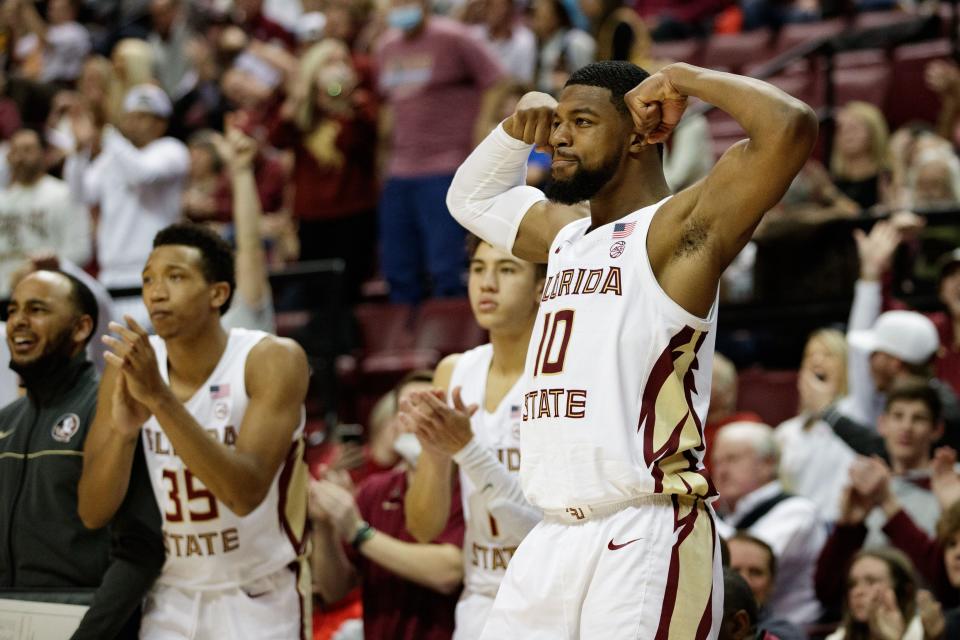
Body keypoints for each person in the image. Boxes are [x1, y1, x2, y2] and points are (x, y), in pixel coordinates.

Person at [445, 59, 817, 638]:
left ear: (643, 132)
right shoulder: (564, 236)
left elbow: (788, 126)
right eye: (558, 123)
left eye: (583, 121)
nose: (558, 136)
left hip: (644, 527)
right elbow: (469, 199)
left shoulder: (679, 230)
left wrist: (681, 78)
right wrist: (513, 131)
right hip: (550, 535)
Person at [77, 222, 311, 639]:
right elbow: (93, 512)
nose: (156, 291)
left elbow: (244, 493)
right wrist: (126, 433)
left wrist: (159, 399)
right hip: (171, 594)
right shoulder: (130, 367)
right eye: (148, 279)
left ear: (217, 294)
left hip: (259, 592)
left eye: (175, 277)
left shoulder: (270, 360)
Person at [0, 270, 163, 639]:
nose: (18, 321)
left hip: (91, 626)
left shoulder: (113, 410)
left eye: (36, 309)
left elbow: (141, 548)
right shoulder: (5, 421)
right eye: (12, 311)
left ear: (80, 328)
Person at [401, 235, 545, 639]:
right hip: (481, 592)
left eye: (506, 270)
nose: (487, 283)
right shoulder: (453, 372)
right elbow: (424, 528)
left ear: (541, 287)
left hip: (549, 590)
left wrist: (466, 448)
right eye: (479, 269)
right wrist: (432, 454)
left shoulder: (560, 375)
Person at [310, 371, 466, 640]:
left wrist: (359, 532)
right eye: (408, 410)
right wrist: (325, 526)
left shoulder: (466, 487)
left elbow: (448, 572)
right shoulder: (375, 490)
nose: (418, 421)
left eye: (428, 410)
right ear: (394, 424)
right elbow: (335, 589)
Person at [375, 0, 506, 303]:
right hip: (399, 171)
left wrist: (480, 132)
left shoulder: (454, 37)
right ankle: (407, 346)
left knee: (447, 267)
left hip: (447, 167)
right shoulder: (385, 47)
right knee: (397, 270)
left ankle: (457, 340)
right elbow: (388, 106)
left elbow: (498, 81)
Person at [64, 84, 189, 325]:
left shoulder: (172, 150)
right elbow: (79, 193)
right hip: (111, 275)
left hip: (153, 272)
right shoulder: (113, 155)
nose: (134, 123)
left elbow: (142, 173)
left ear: (161, 123)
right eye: (130, 116)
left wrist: (106, 131)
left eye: (143, 117)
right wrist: (80, 150)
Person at [712, 421, 825, 626]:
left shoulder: (797, 512)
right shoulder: (721, 516)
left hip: (788, 631)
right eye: (717, 462)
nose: (721, 471)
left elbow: (737, 563)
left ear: (768, 464)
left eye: (732, 459)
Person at [775, 328, 856, 523]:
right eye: (810, 355)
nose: (816, 361)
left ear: (846, 366)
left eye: (828, 354)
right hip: (794, 525)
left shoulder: (856, 416)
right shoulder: (786, 432)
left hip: (838, 525)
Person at [0, 128, 92, 298]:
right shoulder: (2, 200)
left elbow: (80, 249)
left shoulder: (64, 195)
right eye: (14, 151)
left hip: (47, 294)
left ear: (45, 154)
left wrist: (45, 268)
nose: (20, 157)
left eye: (27, 150)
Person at [727, 534, 805, 640]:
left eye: (756, 572)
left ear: (771, 583)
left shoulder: (785, 635)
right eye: (734, 571)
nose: (745, 581)